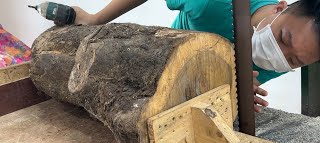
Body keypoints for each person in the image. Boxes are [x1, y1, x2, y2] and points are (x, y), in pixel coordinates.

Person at [65, 0, 320, 113]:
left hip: (192, 88)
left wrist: (235, 93)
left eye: (295, 61)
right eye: (283, 38)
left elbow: (227, 86)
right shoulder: (211, 3)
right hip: (164, 56)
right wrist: (96, 19)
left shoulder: (280, 63)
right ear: (279, 8)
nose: (279, 55)